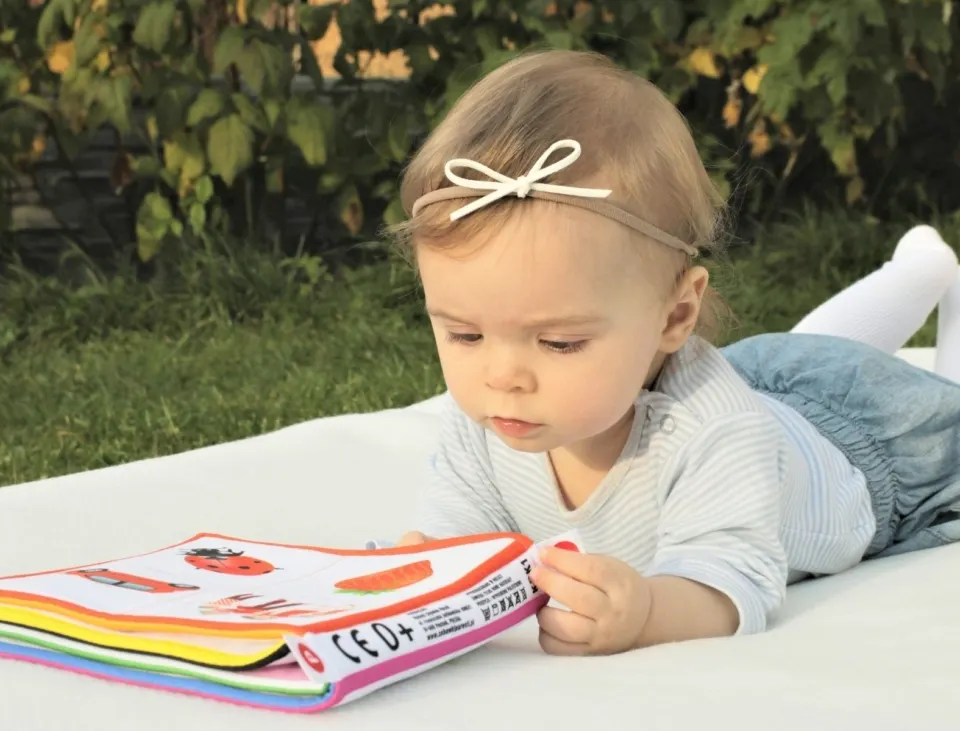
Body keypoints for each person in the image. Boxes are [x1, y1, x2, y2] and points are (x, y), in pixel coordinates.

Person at [386, 49, 960, 657]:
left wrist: (647, 611)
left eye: (560, 343)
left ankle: (936, 284)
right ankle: (921, 269)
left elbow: (735, 578)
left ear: (676, 316)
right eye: (464, 335)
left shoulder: (714, 432)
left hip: (868, 458)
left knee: (897, 396)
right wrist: (428, 575)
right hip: (774, 390)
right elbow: (462, 536)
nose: (501, 376)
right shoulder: (486, 418)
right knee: (812, 356)